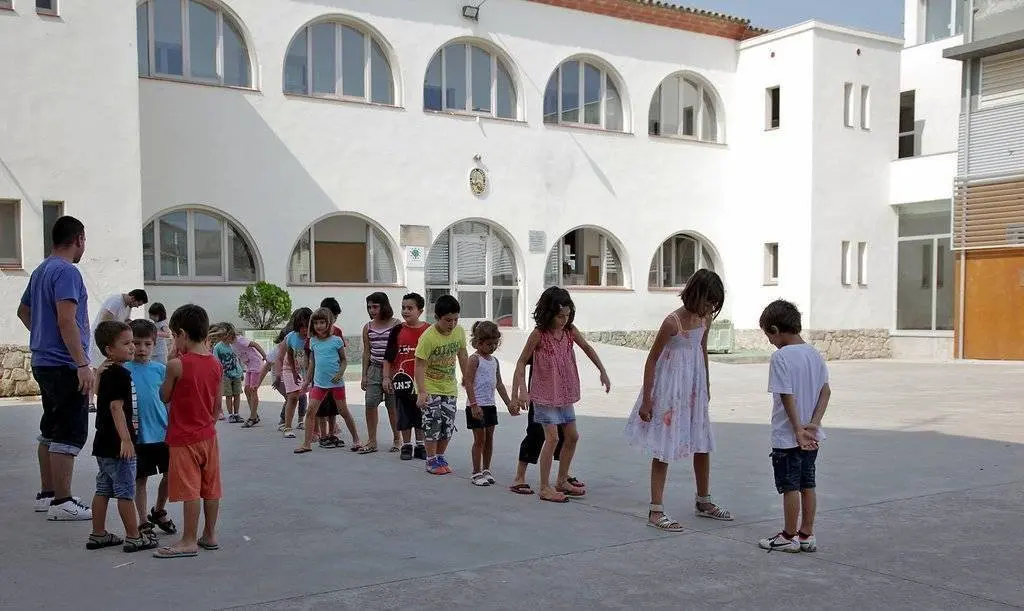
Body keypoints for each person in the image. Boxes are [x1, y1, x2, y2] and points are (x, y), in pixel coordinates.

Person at [624, 269, 734, 532]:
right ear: (695, 294)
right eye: (708, 301)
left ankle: (703, 500)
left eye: (713, 304)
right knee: (664, 446)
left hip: (693, 388)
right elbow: (652, 359)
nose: (709, 308)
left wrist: (705, 384)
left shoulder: (704, 319)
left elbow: (701, 349)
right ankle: (656, 510)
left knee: (702, 441)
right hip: (669, 389)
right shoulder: (672, 322)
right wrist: (647, 400)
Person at [17, 215, 94, 520]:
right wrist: (83, 363)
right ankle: (63, 501)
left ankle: (47, 494)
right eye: (84, 240)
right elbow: (67, 320)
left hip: (43, 361)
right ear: (78, 239)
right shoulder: (67, 272)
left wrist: (42, 336)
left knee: (49, 429)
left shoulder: (40, 271)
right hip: (64, 365)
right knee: (68, 432)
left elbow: (24, 311)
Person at [511, 287, 611, 503]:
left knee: (572, 436)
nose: (564, 320)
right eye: (559, 316)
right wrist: (522, 390)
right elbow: (521, 361)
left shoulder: (569, 332)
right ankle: (545, 487)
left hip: (564, 393)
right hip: (545, 395)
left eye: (567, 315)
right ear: (548, 313)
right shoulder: (539, 334)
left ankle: (562, 479)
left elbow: (587, 348)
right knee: (552, 438)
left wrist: (602, 370)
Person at [757, 300, 830, 553]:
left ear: (776, 329)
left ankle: (788, 536)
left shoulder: (780, 357)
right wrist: (814, 424)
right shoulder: (814, 354)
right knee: (808, 484)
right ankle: (807, 534)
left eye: (768, 335)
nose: (770, 341)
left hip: (788, 436)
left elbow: (786, 395)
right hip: (811, 436)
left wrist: (797, 429)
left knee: (790, 487)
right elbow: (825, 391)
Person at [154, 304, 222, 559]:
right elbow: (217, 405)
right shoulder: (215, 364)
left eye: (174, 336)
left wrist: (172, 356)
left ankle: (188, 540)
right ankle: (210, 534)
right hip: (208, 436)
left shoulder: (176, 365)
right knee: (211, 487)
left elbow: (164, 396)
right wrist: (208, 424)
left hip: (184, 438)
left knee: (190, 489)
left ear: (182, 334)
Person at [86, 320, 158, 553]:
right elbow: (116, 408)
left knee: (103, 489)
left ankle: (98, 534)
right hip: (119, 446)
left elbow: (99, 395)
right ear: (109, 349)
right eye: (127, 343)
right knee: (126, 492)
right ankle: (134, 536)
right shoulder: (120, 374)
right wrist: (126, 440)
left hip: (103, 445)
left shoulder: (106, 371)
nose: (133, 348)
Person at [123, 319, 176, 536]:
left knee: (170, 474)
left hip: (163, 433)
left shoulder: (160, 369)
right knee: (140, 479)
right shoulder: (123, 370)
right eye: (136, 343)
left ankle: (160, 509)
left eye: (147, 344)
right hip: (138, 436)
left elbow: (169, 400)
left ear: (155, 344)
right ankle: (143, 519)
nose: (142, 349)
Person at [414, 295, 470, 475]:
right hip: (430, 386)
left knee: (447, 422)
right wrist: (422, 392)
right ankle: (430, 459)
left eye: (455, 320)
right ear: (437, 317)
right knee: (433, 422)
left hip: (449, 387)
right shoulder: (428, 337)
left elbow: (462, 354)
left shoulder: (459, 332)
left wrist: (467, 377)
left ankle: (440, 456)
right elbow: (419, 365)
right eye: (448, 320)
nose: (452, 324)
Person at [464, 321, 513, 487]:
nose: (492, 347)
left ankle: (486, 469)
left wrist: (508, 403)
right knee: (480, 439)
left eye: (495, 344)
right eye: (488, 344)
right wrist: (474, 405)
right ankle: (476, 472)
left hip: (490, 405)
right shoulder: (474, 359)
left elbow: (499, 384)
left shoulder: (494, 361)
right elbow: (468, 382)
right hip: (476, 406)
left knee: (489, 438)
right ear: (478, 343)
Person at [294, 308, 349, 453]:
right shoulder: (312, 341)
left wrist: (340, 373)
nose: (319, 326)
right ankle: (306, 444)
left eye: (322, 322)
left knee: (343, 412)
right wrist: (306, 381)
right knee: (311, 411)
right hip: (319, 384)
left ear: (328, 323)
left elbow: (344, 360)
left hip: (336, 383)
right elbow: (312, 363)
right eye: (316, 323)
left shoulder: (337, 340)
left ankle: (356, 439)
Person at [383, 293, 430, 461]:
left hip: (423, 382)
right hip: (402, 380)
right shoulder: (397, 330)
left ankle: (420, 445)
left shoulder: (428, 330)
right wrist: (387, 378)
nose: (405, 311)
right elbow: (388, 357)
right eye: (403, 307)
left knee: (420, 414)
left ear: (420, 310)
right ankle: (406, 445)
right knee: (404, 414)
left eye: (410, 308)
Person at [88, 289, 149, 407]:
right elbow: (105, 322)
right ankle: (91, 401)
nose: (136, 307)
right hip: (102, 340)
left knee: (112, 368)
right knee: (97, 369)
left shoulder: (128, 307)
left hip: (116, 342)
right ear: (132, 298)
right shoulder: (116, 301)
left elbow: (125, 321)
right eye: (138, 304)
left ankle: (109, 395)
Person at [360, 292, 401, 454]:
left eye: (375, 306)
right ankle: (372, 441)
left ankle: (397, 439)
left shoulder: (397, 324)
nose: (372, 310)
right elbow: (366, 352)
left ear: (384, 306)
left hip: (393, 370)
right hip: (374, 369)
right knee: (370, 404)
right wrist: (364, 375)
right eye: (369, 307)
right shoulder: (368, 327)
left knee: (393, 406)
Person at [281, 308, 313, 439]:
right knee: (293, 397)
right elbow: (288, 354)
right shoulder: (291, 337)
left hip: (308, 369)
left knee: (314, 398)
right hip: (290, 368)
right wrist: (294, 372)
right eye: (302, 327)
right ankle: (287, 426)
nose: (305, 330)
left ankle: (315, 427)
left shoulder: (314, 337)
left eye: (307, 327)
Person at [228, 325, 267, 428]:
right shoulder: (231, 344)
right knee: (246, 390)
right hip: (250, 366)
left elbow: (255, 344)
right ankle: (254, 414)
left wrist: (265, 357)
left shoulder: (239, 340)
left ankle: (253, 417)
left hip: (256, 364)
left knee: (253, 389)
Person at [269, 322, 306, 430]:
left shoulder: (302, 343)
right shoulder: (280, 348)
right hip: (282, 377)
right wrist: (277, 377)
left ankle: (300, 420)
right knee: (291, 398)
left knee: (302, 397)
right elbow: (269, 364)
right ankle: (284, 421)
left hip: (298, 374)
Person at [212, 323, 245, 423]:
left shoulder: (234, 345)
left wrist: (242, 371)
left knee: (237, 394)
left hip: (237, 373)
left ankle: (237, 414)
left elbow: (239, 358)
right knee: (229, 395)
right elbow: (216, 361)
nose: (224, 337)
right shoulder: (218, 347)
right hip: (225, 375)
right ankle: (230, 414)